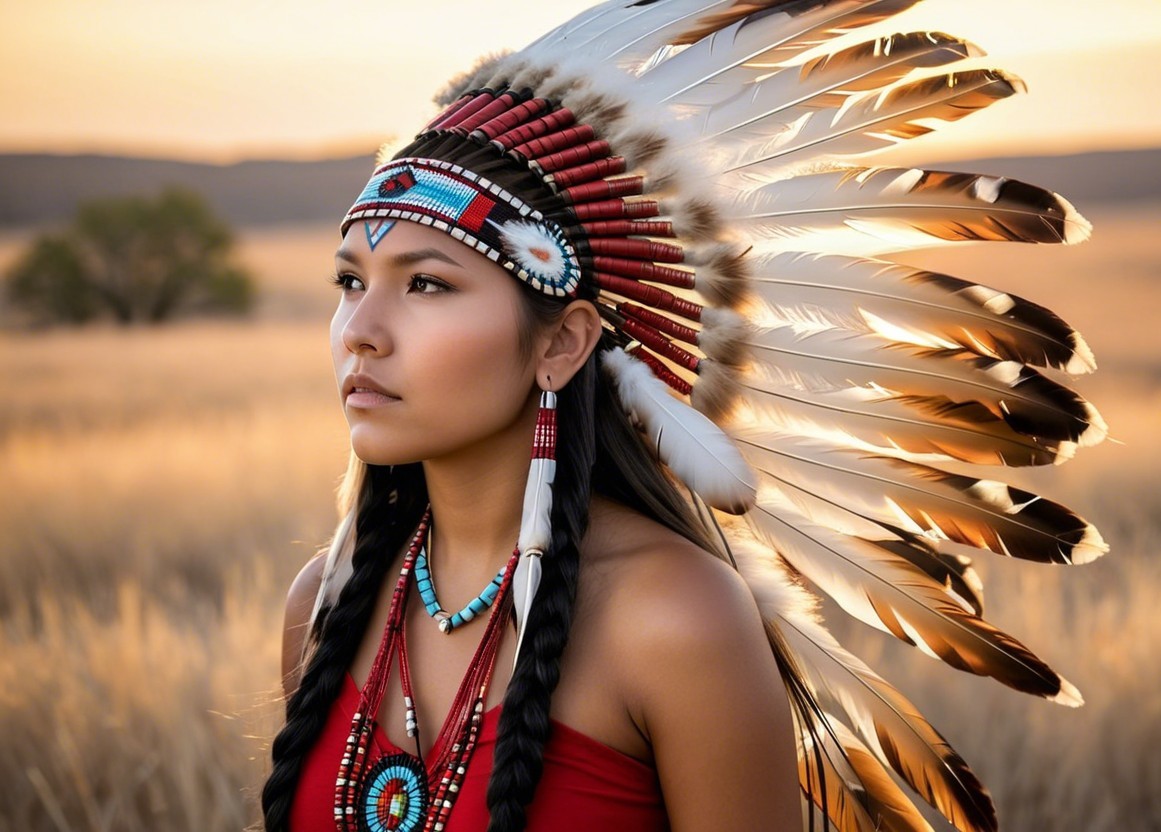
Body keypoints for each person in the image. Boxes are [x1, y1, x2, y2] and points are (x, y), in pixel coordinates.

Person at [262, 3, 1107, 831]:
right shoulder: (329, 604)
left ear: (562, 343)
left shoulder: (674, 618)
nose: (361, 333)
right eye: (349, 282)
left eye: (427, 285)